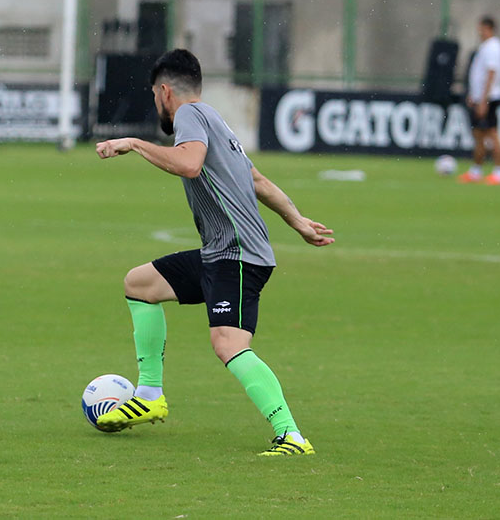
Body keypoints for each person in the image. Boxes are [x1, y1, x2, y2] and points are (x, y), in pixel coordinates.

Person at [95, 49, 335, 456]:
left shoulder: (189, 116)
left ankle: (291, 435)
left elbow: (189, 165)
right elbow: (255, 178)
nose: (157, 103)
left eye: (155, 95)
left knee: (228, 342)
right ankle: (150, 393)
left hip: (239, 255)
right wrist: (296, 221)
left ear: (165, 91)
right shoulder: (215, 119)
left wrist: (134, 143)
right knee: (139, 283)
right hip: (220, 252)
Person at [459, 15, 500, 185]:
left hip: (489, 98)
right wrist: (474, 95)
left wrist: (483, 100)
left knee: (492, 134)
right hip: (480, 97)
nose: (479, 32)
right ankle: (476, 171)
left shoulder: (493, 47)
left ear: (489, 28)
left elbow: (491, 73)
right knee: (478, 134)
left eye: (481, 28)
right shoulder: (486, 46)